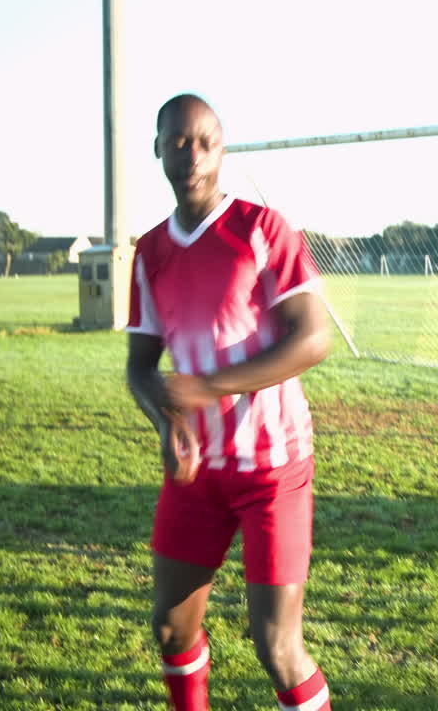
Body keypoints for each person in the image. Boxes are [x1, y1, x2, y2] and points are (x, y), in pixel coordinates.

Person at [125, 93, 333, 711]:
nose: (191, 153)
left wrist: (209, 386)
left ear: (222, 149)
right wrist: (165, 420)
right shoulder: (151, 252)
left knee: (277, 646)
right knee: (171, 627)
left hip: (273, 467)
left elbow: (313, 337)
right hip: (198, 471)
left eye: (204, 141)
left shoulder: (262, 229)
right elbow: (139, 366)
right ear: (158, 148)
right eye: (178, 140)